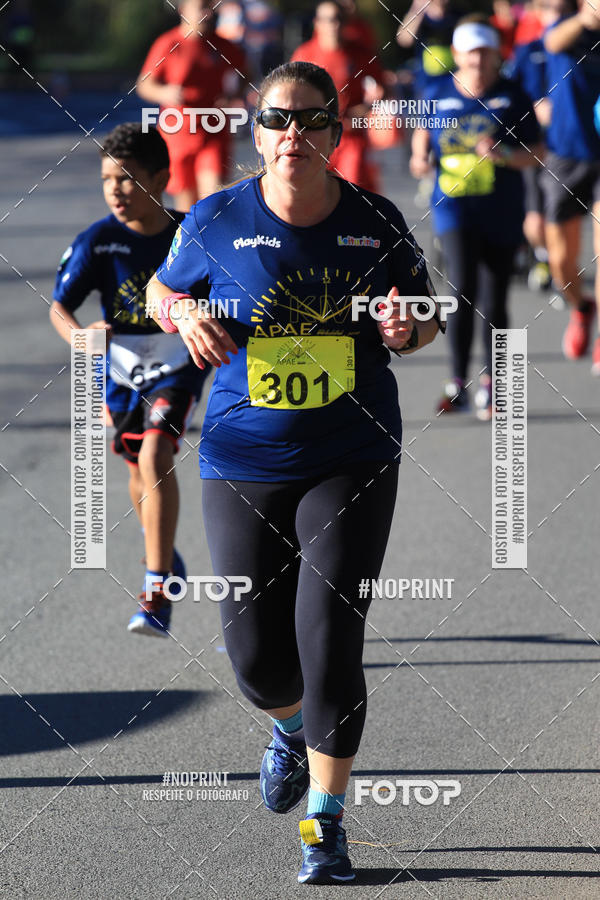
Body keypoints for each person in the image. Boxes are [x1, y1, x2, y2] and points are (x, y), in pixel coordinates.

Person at [146, 60, 444, 885]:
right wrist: (188, 311)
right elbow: (160, 290)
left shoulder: (374, 221)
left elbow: (423, 316)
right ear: (257, 131)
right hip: (241, 459)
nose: (294, 136)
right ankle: (286, 729)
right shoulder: (214, 220)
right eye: (279, 120)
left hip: (350, 456)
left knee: (330, 639)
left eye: (313, 121)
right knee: (255, 662)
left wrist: (404, 324)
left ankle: (326, 821)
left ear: (336, 134)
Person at [50, 123, 210, 637]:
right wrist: (78, 338)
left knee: (155, 453)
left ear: (161, 178)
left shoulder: (193, 235)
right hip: (118, 372)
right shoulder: (98, 242)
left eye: (127, 178)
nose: (115, 190)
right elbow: (60, 308)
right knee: (137, 466)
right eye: (106, 180)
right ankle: (164, 556)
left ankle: (156, 589)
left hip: (177, 366)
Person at [410, 17, 543, 418]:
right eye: (471, 54)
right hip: (453, 207)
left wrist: (501, 154)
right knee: (461, 287)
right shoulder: (437, 92)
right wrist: (419, 157)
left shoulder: (513, 97)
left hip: (501, 208)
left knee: (494, 297)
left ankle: (493, 384)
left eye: (486, 53)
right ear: (459, 57)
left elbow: (537, 154)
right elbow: (421, 131)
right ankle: (456, 383)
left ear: (496, 56)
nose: (479, 61)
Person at [136, 0, 247, 211]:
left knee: (212, 202)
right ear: (183, 11)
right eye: (201, 7)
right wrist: (165, 92)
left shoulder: (222, 45)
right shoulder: (168, 44)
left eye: (210, 8)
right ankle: (192, 243)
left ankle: (212, 241)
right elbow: (144, 85)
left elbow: (246, 74)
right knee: (187, 208)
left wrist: (233, 94)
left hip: (213, 129)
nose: (207, 13)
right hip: (178, 133)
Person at [542, 0, 600, 371]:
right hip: (567, 155)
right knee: (561, 262)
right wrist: (587, 17)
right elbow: (552, 43)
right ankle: (582, 307)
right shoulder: (566, 30)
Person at [291, 1, 386, 192]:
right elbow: (292, 96)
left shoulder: (359, 53)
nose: (334, 24)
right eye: (328, 19)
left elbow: (382, 87)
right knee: (314, 193)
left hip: (351, 138)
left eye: (339, 19)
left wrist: (365, 108)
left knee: (353, 192)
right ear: (317, 23)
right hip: (315, 136)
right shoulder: (304, 54)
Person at [396, 0, 459, 98]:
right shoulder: (419, 16)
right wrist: (418, 7)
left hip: (455, 81)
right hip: (427, 84)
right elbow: (404, 40)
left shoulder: (458, 15)